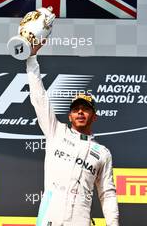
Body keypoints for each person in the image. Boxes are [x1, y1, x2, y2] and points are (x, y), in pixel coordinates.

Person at [26, 43, 119, 226]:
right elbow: (39, 98)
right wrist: (31, 58)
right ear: (70, 116)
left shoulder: (102, 153)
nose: (80, 113)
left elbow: (107, 194)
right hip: (49, 219)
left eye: (86, 109)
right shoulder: (56, 131)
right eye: (76, 109)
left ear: (94, 116)